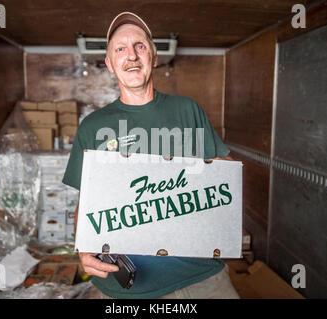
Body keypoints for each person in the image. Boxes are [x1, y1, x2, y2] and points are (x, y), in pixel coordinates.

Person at [62, 12, 239, 299]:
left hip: (200, 277)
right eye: (120, 49)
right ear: (109, 64)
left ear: (154, 58)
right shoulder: (93, 127)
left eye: (140, 46)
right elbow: (87, 200)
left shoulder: (187, 109)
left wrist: (226, 191)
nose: (131, 55)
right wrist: (83, 246)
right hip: (126, 286)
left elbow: (222, 172)